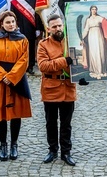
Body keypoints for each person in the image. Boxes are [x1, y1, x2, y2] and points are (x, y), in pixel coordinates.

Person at [0, 11, 32, 161]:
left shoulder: (23, 40)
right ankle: (3, 144)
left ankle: (14, 144)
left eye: (13, 22)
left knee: (16, 114)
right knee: (1, 115)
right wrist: (2, 76)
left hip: (16, 81)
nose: (11, 25)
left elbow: (24, 60)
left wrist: (11, 77)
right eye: (8, 22)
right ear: (1, 25)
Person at [37, 14, 77, 166]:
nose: (58, 28)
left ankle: (66, 152)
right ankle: (52, 150)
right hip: (51, 88)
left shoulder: (71, 41)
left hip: (68, 88)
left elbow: (81, 61)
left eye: (60, 25)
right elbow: (43, 66)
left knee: (66, 124)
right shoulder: (43, 44)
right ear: (48, 29)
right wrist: (64, 61)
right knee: (51, 123)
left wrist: (83, 76)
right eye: (54, 26)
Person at [10, 0, 43, 75]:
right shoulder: (15, 2)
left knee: (31, 47)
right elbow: (13, 16)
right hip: (20, 28)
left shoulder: (33, 1)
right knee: (21, 48)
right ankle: (22, 65)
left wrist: (37, 28)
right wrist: (16, 26)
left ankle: (31, 65)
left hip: (31, 28)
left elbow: (37, 16)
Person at [81, 5, 107, 79]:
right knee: (93, 53)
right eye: (93, 9)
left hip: (99, 35)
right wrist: (82, 38)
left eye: (95, 9)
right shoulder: (88, 20)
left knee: (100, 52)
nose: (94, 10)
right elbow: (86, 30)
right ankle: (95, 70)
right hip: (91, 36)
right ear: (90, 10)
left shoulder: (99, 18)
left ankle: (101, 70)